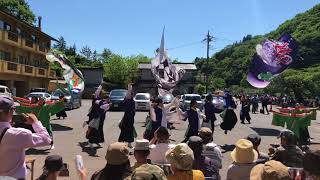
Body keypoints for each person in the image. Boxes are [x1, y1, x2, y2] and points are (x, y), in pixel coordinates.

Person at [0, 95, 52, 179]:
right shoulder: (19, 134)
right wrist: (35, 122)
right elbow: (46, 139)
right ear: (10, 111)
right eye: (13, 110)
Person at [118, 83, 136, 148]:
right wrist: (129, 87)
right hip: (126, 118)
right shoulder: (127, 100)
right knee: (124, 130)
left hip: (131, 118)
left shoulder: (132, 101)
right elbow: (128, 93)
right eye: (131, 94)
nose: (131, 95)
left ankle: (129, 143)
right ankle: (121, 142)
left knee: (130, 131)